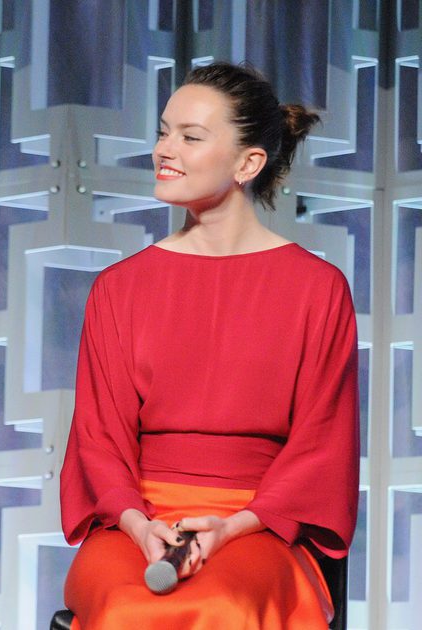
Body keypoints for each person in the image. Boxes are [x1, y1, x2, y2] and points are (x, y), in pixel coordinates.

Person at [60, 61, 359, 629]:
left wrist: (234, 525)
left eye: (190, 137)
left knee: (222, 607)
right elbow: (98, 436)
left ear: (249, 162)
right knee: (127, 607)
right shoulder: (119, 288)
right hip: (137, 526)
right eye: (163, 131)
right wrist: (137, 523)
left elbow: (322, 444)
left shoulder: (317, 290)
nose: (164, 149)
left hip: (257, 526)